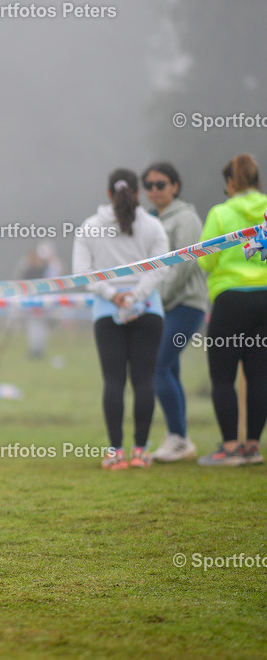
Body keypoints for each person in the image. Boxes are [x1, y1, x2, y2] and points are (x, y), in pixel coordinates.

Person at [72, 169, 168, 470]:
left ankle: (115, 453)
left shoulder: (90, 226)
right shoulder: (153, 225)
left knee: (113, 381)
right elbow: (161, 267)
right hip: (148, 309)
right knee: (144, 381)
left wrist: (113, 295)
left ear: (108, 193)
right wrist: (137, 295)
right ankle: (140, 451)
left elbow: (82, 273)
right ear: (138, 193)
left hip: (107, 312)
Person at [197, 154, 267, 466]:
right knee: (259, 375)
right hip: (265, 298)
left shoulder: (221, 213)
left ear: (230, 182)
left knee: (223, 377)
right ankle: (252, 447)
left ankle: (229, 448)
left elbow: (206, 260)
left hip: (230, 300)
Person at [140, 163, 208, 462]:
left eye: (161, 184)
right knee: (170, 369)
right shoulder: (148, 220)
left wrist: (156, 297)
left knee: (158, 366)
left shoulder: (186, 218)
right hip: (161, 305)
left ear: (175, 186)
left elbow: (185, 263)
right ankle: (179, 437)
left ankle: (179, 438)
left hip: (186, 304)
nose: (154, 190)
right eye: (149, 185)